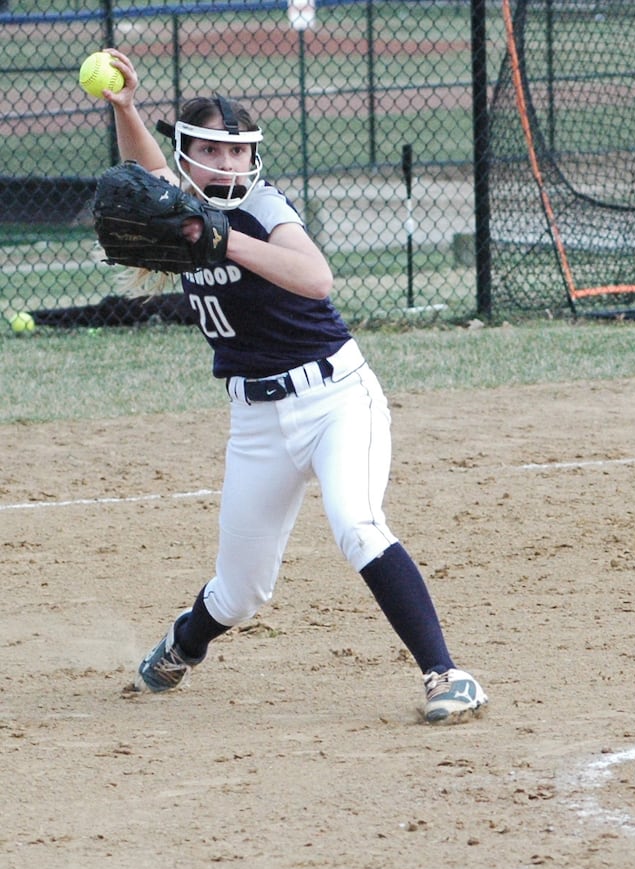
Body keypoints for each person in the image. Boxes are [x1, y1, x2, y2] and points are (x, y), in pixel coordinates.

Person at [93, 49, 488, 723]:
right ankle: (183, 646)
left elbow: (316, 278)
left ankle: (446, 675)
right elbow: (149, 173)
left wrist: (222, 240)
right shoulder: (183, 209)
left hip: (337, 399)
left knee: (357, 526)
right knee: (240, 593)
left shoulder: (264, 207)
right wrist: (126, 108)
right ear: (188, 155)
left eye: (237, 153)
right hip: (255, 421)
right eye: (211, 152)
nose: (227, 166)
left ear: (253, 159)